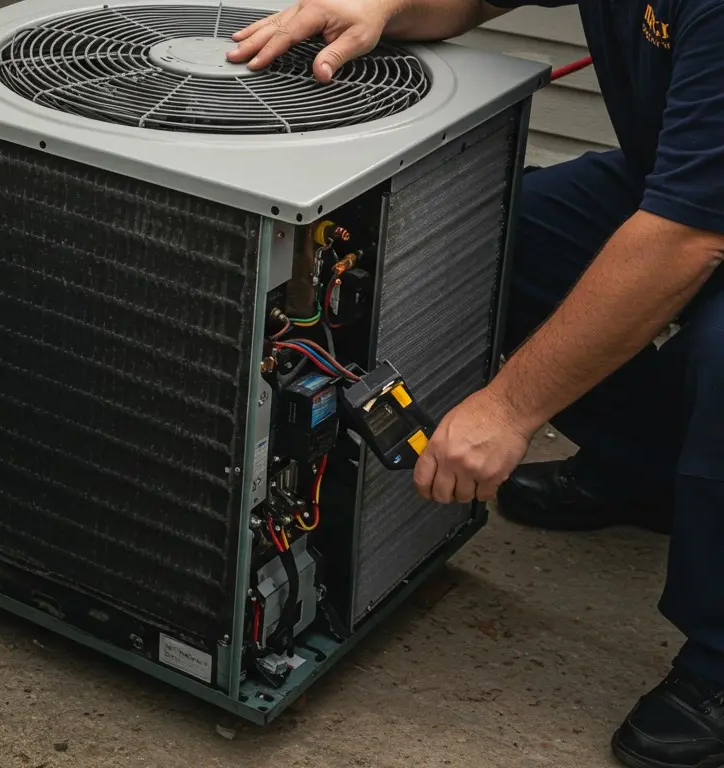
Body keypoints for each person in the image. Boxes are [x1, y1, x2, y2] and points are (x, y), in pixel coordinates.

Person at [227, 1, 724, 765]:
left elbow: (685, 238)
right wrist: (382, 8)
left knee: (718, 360)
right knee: (505, 226)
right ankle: (647, 470)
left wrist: (509, 407)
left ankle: (717, 663)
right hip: (683, 183)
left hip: (696, 218)